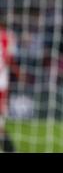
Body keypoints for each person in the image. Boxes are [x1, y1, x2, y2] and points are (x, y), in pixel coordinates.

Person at [0, 19, 20, 152]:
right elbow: (11, 59)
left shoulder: (7, 37)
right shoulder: (9, 36)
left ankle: (10, 149)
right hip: (2, 84)